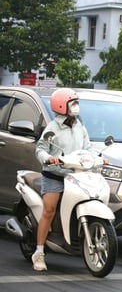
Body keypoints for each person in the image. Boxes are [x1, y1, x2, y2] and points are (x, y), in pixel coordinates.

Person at [32, 88, 93, 271]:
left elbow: (87, 147)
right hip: (55, 175)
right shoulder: (52, 128)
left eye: (76, 103)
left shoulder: (79, 125)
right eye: (72, 103)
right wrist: (48, 158)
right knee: (49, 211)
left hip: (76, 175)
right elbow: (40, 149)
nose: (76, 107)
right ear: (62, 105)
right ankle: (39, 252)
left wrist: (98, 157)